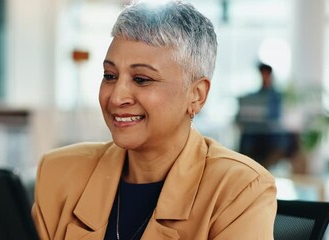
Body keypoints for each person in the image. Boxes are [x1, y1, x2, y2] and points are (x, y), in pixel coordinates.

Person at [32, 1, 277, 239]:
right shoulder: (58, 173)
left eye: (141, 79)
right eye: (110, 75)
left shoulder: (239, 190)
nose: (116, 97)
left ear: (197, 95)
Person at [236, 63, 296, 169]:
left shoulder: (276, 96)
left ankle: (261, 170)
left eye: (266, 74)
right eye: (262, 74)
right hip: (254, 136)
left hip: (270, 137)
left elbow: (275, 116)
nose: (264, 77)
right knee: (247, 138)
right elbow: (240, 117)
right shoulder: (253, 97)